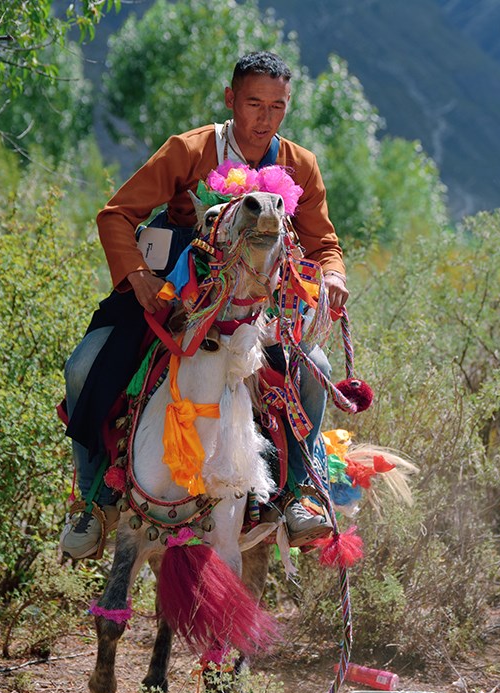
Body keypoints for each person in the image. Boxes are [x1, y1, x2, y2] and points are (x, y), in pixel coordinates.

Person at [60, 51, 349, 559]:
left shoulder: (299, 164)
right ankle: (94, 498)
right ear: (230, 99)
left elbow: (324, 242)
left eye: (277, 107)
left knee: (314, 370)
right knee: (84, 367)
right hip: (173, 300)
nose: (264, 117)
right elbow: (116, 215)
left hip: (257, 310)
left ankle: (299, 496)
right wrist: (138, 276)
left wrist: (332, 274)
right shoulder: (189, 149)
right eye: (254, 103)